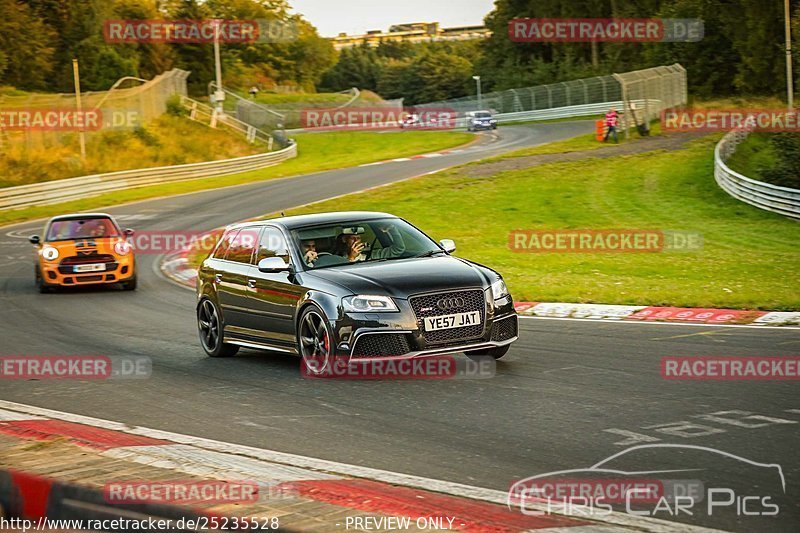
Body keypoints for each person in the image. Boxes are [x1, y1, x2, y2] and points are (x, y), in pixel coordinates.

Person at [335, 225, 406, 262]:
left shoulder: (371, 254)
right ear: (344, 240)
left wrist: (392, 229)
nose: (356, 240)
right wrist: (351, 258)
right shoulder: (338, 259)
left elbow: (398, 249)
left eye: (358, 238)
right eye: (352, 238)